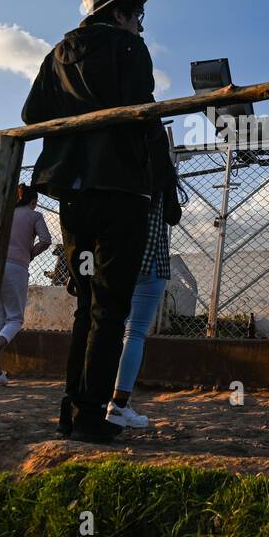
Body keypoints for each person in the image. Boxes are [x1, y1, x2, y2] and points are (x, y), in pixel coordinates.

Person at [21, 0, 168, 442]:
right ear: (119, 14)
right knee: (111, 308)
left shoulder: (58, 55)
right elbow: (141, 111)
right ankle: (90, 416)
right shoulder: (128, 48)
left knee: (86, 304)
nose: (141, 25)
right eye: (136, 15)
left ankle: (71, 411)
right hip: (121, 189)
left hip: (74, 192)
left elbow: (31, 115)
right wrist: (164, 183)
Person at [106, 154, 181, 428]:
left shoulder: (117, 168)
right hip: (150, 260)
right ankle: (119, 403)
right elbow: (174, 216)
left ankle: (97, 399)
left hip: (114, 259)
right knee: (134, 334)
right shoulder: (160, 173)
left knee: (106, 328)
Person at [0, 184, 52, 385]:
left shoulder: (3, 213)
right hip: (17, 267)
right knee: (15, 319)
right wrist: (30, 253)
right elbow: (46, 240)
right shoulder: (35, 216)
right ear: (33, 201)